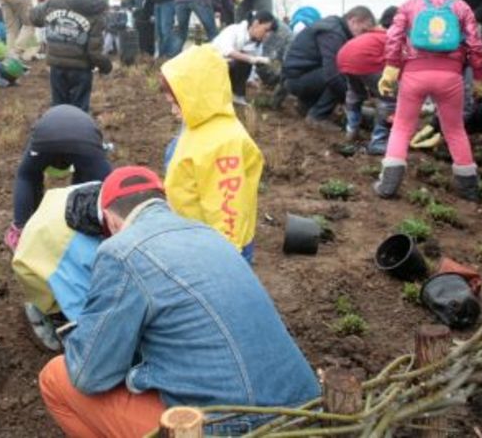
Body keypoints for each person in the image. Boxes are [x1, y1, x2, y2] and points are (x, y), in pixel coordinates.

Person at [38, 166, 321, 437]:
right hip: (305, 410)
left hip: (232, 425)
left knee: (55, 377)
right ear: (164, 203)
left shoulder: (120, 251)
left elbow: (90, 375)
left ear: (111, 220)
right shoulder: (209, 234)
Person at [374, 0, 482, 201]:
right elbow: (476, 45)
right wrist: (479, 76)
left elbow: (394, 38)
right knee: (455, 130)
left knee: (402, 127)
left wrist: (391, 68)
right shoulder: (460, 7)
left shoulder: (410, 5)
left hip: (414, 75)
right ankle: (469, 188)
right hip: (450, 78)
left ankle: (388, 185)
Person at [160, 45, 263, 260]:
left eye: (176, 104)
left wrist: (224, 261)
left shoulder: (222, 144)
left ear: (195, 94)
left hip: (215, 251)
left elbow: (227, 212)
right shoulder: (199, 124)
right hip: (195, 239)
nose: (173, 112)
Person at [12, 180, 104, 351]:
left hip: (59, 207)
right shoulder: (82, 260)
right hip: (41, 252)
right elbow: (88, 316)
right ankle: (47, 311)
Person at [4, 105, 112, 249]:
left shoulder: (43, 126)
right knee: (105, 185)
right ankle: (105, 232)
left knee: (27, 175)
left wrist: (33, 216)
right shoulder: (91, 133)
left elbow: (28, 177)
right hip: (84, 142)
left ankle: (20, 231)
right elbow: (96, 182)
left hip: (46, 136)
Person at [31, 0, 113, 111]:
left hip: (56, 67)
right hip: (81, 70)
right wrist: (106, 66)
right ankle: (79, 132)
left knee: (59, 107)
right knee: (79, 109)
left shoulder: (55, 3)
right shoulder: (97, 14)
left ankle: (59, 131)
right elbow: (94, 52)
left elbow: (34, 18)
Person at [281, 6, 377, 129]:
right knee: (340, 76)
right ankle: (317, 117)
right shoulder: (333, 33)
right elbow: (332, 75)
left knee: (339, 77)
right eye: (363, 31)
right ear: (353, 21)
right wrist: (350, 98)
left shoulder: (337, 29)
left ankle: (305, 106)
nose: (363, 37)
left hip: (302, 75)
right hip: (296, 79)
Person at [336, 6, 398, 154]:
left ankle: (351, 129)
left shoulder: (368, 36)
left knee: (355, 94)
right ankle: (379, 140)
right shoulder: (389, 36)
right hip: (364, 60)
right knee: (389, 99)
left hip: (343, 57)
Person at [210, 10, 279, 105]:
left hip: (227, 71)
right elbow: (226, 50)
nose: (267, 35)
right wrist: (251, 59)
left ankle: (237, 95)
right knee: (244, 59)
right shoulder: (234, 30)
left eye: (269, 33)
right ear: (256, 24)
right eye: (266, 30)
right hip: (212, 68)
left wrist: (251, 79)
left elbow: (252, 66)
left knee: (246, 60)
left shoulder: (257, 44)